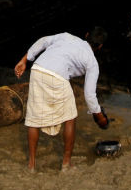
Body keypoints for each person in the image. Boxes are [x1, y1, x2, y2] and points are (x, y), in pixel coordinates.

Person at [14, 29, 110, 172]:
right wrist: (99, 116)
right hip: (57, 76)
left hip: (37, 70)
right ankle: (66, 164)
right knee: (70, 117)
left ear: (86, 35)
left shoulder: (66, 37)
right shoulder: (92, 62)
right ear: (100, 46)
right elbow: (89, 95)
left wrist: (24, 60)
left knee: (33, 119)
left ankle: (31, 166)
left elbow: (43, 41)